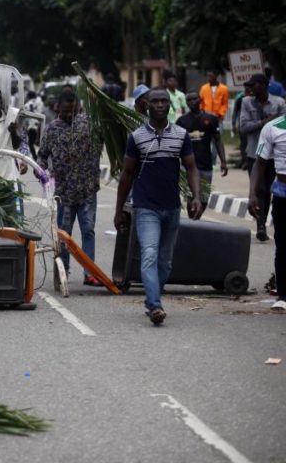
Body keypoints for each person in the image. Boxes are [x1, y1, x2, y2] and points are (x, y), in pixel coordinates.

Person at [114, 88, 202, 326]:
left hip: (172, 206)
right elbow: (127, 174)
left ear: (170, 105)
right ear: (147, 105)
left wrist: (196, 196)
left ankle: (152, 299)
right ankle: (155, 305)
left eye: (164, 101)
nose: (161, 105)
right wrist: (119, 208)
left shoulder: (181, 135)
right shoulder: (137, 137)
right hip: (145, 208)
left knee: (165, 262)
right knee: (150, 255)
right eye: (156, 101)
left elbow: (191, 168)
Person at [37, 92, 103, 286]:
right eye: (65, 111)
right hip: (64, 193)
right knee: (64, 234)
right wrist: (43, 174)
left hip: (88, 189)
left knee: (88, 231)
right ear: (58, 108)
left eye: (72, 111)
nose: (68, 115)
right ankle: (62, 270)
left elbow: (106, 139)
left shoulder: (90, 125)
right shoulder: (52, 129)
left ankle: (90, 272)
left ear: (79, 107)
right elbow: (41, 156)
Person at [239, 73, 286, 241]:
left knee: (268, 190)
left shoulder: (279, 103)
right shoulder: (246, 102)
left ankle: (262, 222)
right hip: (254, 153)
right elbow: (243, 127)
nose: (250, 88)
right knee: (260, 189)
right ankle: (260, 226)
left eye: (254, 85)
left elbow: (282, 126)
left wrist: (271, 123)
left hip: (274, 155)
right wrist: (265, 123)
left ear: (264, 85)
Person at [248, 113, 286, 312]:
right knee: (282, 245)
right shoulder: (273, 128)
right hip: (282, 193)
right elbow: (260, 163)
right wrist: (252, 194)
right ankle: (283, 295)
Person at [176, 92, 227, 216]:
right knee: (190, 196)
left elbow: (218, 140)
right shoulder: (181, 121)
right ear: (186, 103)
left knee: (203, 198)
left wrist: (223, 162)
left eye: (194, 99)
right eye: (189, 100)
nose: (192, 102)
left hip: (205, 165)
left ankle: (195, 220)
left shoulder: (211, 119)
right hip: (187, 167)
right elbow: (176, 143)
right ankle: (192, 221)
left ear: (200, 100)